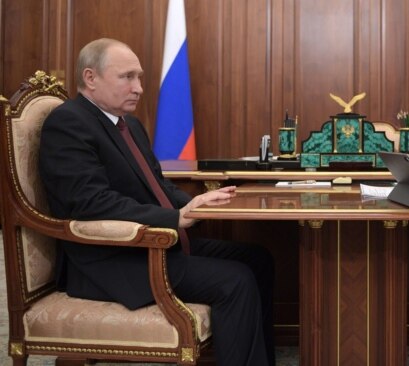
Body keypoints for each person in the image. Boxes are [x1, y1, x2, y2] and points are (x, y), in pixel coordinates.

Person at [39, 38, 275, 366]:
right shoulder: (68, 123)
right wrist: (174, 219)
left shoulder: (129, 125)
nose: (138, 88)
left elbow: (157, 184)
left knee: (257, 260)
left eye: (140, 77)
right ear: (90, 78)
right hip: (110, 258)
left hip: (152, 244)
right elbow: (91, 203)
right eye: (127, 77)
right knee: (235, 280)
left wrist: (197, 203)